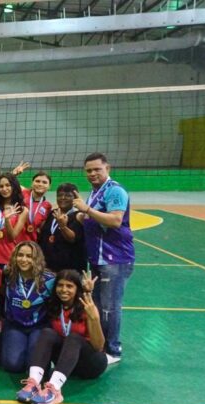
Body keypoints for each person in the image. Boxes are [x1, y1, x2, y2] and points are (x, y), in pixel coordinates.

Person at [73, 152, 135, 364]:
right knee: (99, 305)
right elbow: (95, 219)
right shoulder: (95, 192)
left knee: (110, 306)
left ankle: (113, 350)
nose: (92, 173)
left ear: (107, 168)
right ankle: (100, 344)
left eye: (97, 169)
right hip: (99, 259)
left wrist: (87, 209)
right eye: (88, 170)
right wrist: (83, 217)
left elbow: (116, 220)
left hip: (114, 259)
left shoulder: (115, 191)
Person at [16, 269, 106, 404]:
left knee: (74, 338)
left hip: (90, 362)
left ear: (77, 289)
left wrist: (94, 318)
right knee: (47, 333)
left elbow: (99, 347)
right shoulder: (54, 306)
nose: (64, 290)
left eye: (69, 286)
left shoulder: (87, 307)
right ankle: (34, 383)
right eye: (60, 285)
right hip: (66, 363)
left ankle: (55, 391)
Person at [0, 241, 56, 373]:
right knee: (12, 365)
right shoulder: (8, 275)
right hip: (15, 326)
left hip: (39, 327)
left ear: (36, 259)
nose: (23, 260)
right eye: (20, 255)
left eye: (29, 256)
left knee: (34, 367)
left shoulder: (49, 280)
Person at [37, 183, 86, 273]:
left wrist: (62, 226)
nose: (63, 198)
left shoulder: (79, 215)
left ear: (75, 198)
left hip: (70, 269)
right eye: (60, 195)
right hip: (48, 268)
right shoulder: (51, 214)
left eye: (67, 195)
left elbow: (72, 239)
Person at [0, 173, 28, 268]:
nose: (4, 189)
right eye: (1, 186)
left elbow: (12, 237)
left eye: (8, 185)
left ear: (14, 186)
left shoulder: (22, 209)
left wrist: (7, 220)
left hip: (9, 258)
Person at [20, 171, 52, 242]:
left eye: (44, 182)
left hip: (32, 243)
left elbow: (41, 227)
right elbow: (7, 181)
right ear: (32, 183)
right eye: (37, 181)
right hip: (13, 242)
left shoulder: (47, 206)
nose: (40, 184)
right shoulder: (22, 193)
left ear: (49, 186)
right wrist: (14, 173)